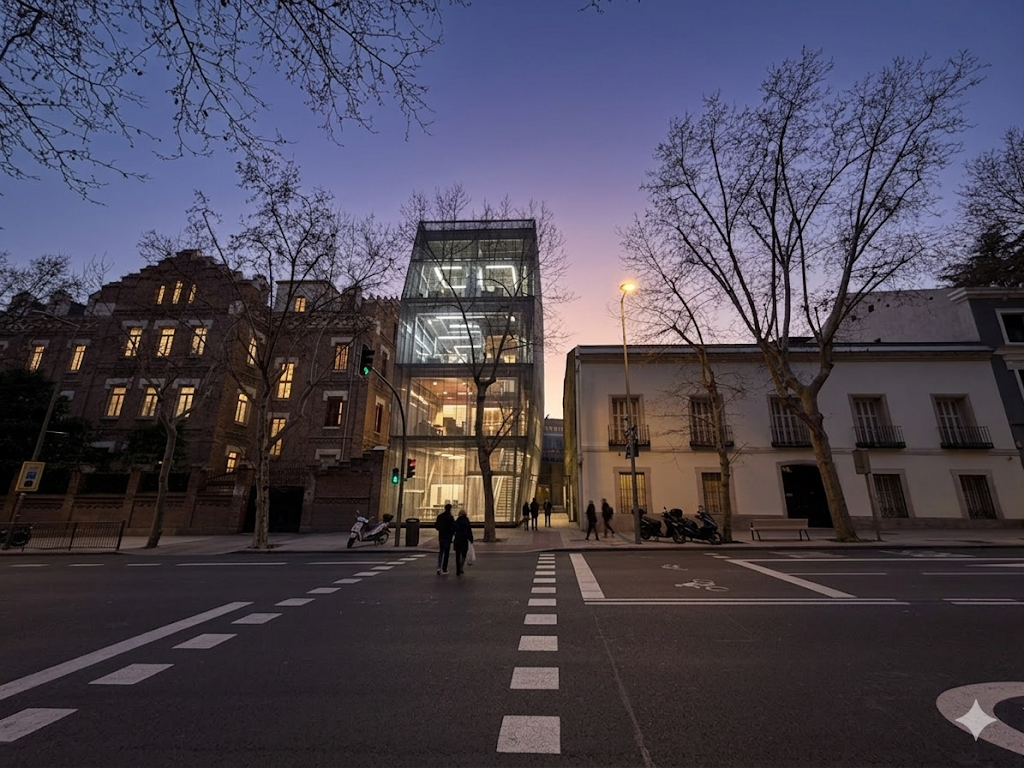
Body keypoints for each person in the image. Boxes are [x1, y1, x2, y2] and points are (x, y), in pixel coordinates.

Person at [434, 503, 455, 575]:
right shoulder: (450, 517)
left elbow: (436, 526)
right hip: (448, 536)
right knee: (446, 552)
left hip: (442, 535)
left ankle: (439, 567)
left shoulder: (440, 516)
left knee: (441, 551)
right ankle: (444, 568)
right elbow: (453, 527)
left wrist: (441, 530)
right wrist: (452, 534)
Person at [453, 509, 474, 576]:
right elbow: (469, 531)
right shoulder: (466, 521)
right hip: (464, 539)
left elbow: (454, 530)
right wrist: (471, 539)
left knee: (457, 555)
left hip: (457, 539)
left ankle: (457, 569)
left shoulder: (457, 521)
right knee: (464, 554)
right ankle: (461, 566)